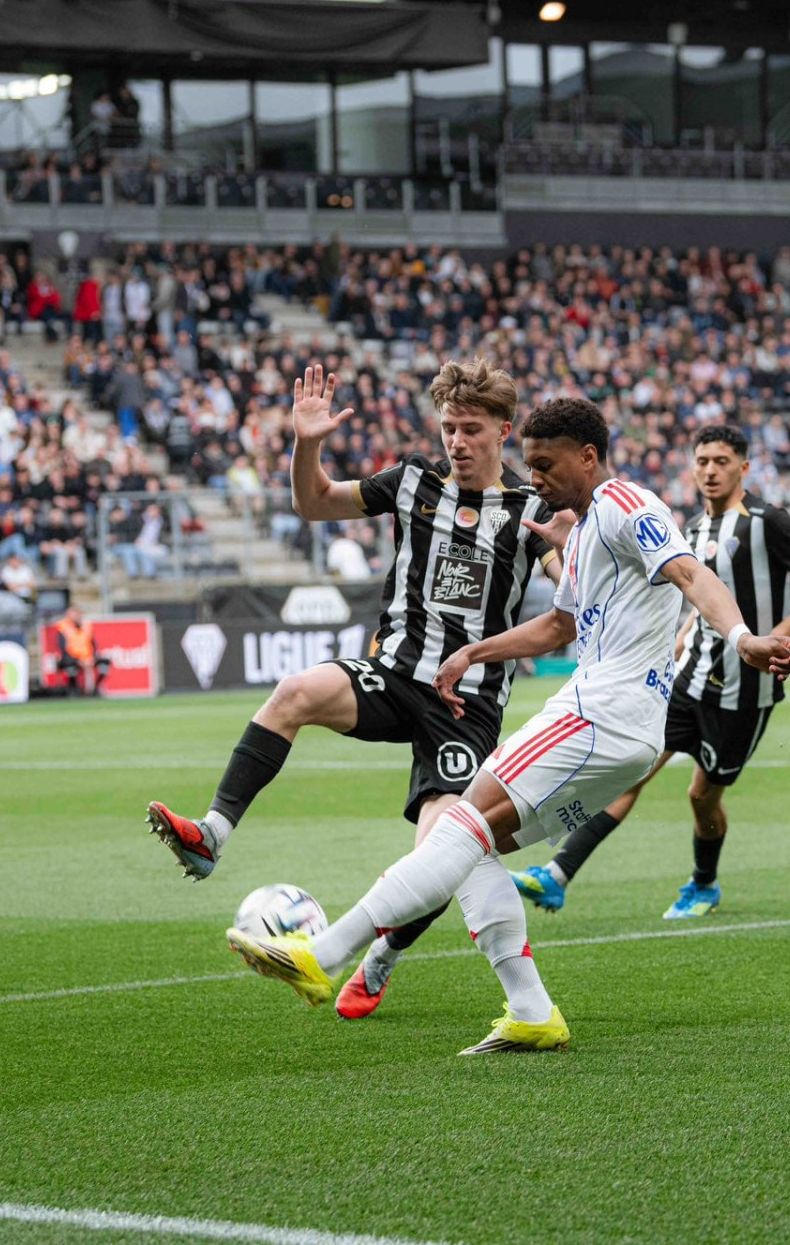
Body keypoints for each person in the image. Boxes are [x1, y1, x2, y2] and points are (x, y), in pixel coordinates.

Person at [215, 397, 790, 1053]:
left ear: (587, 456)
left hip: (599, 715)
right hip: (629, 735)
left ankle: (322, 956)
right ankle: (531, 1011)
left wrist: (744, 637)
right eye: (530, 466)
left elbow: (690, 572)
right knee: (474, 851)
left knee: (458, 827)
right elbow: (559, 625)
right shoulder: (584, 529)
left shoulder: (624, 503)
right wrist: (475, 651)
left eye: (546, 465)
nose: (538, 480)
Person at [145, 359, 563, 1025]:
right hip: (395, 674)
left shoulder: (531, 509)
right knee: (294, 692)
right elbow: (312, 504)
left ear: (503, 432)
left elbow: (567, 592)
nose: (457, 441)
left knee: (442, 849)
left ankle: (380, 959)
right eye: (450, 427)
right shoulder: (413, 482)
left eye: (472, 429)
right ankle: (212, 836)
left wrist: (568, 554)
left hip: (467, 704)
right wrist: (307, 441)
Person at [510, 424, 790, 920]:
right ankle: (556, 874)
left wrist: (770, 635)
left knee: (701, 797)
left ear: (743, 468)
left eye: (722, 462)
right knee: (633, 770)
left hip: (743, 690)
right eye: (702, 461)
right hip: (688, 677)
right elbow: (689, 586)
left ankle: (703, 883)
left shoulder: (766, 522)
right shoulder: (689, 526)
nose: (710, 471)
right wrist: (686, 632)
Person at [54, 604, 109, 693]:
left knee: (104, 662)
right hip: (73, 658)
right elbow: (63, 648)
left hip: (87, 657)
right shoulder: (64, 627)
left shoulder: (86, 626)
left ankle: (94, 690)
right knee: (69, 664)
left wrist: (92, 657)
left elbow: (93, 645)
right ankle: (75, 689)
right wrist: (78, 660)